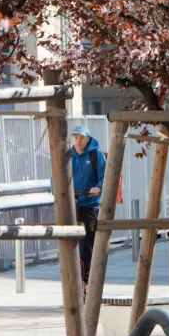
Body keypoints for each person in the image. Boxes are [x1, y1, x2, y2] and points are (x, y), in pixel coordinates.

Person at [71, 124, 106, 294]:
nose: (78, 141)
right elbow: (54, 177)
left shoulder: (96, 155)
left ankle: (87, 283)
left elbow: (106, 177)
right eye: (75, 137)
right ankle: (73, 282)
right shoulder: (67, 155)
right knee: (69, 244)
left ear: (87, 139)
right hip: (71, 205)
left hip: (90, 206)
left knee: (87, 246)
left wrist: (98, 188)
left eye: (81, 137)